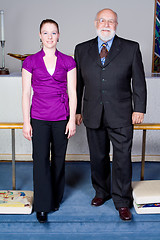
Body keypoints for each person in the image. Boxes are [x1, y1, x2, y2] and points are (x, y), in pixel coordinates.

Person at [74, 8, 147, 221]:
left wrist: (139, 108)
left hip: (122, 114)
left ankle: (122, 201)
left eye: (111, 21)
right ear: (95, 23)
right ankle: (101, 192)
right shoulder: (81, 49)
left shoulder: (131, 48)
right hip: (92, 112)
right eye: (102, 20)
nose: (106, 24)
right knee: (98, 157)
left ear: (116, 25)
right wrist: (77, 110)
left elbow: (139, 82)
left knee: (122, 158)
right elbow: (77, 84)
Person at [22, 19, 77, 223]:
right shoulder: (30, 61)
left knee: (59, 160)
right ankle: (43, 205)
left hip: (61, 118)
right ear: (39, 35)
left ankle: (55, 197)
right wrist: (26, 122)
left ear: (59, 35)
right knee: (41, 161)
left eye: (53, 33)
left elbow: (72, 92)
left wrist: (72, 120)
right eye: (45, 33)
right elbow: (26, 94)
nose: (49, 37)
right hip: (38, 118)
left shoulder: (68, 61)